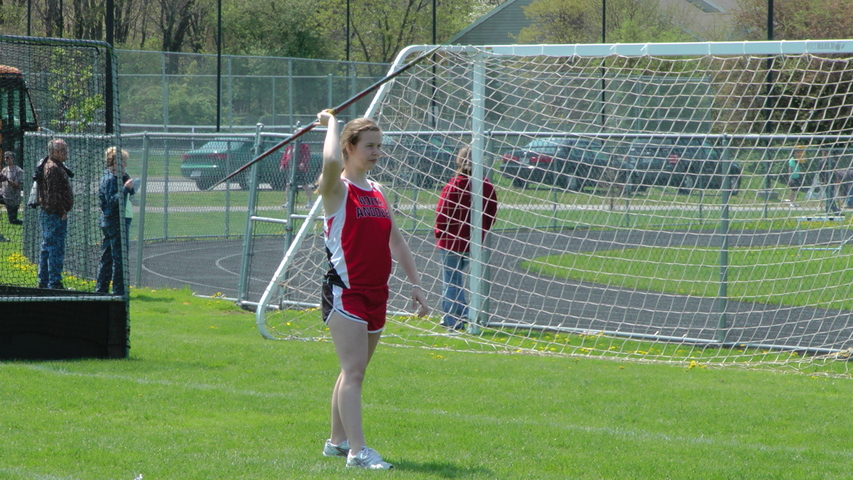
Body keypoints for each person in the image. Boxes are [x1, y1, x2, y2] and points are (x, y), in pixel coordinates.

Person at [315, 110, 428, 470]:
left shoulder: (377, 191)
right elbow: (330, 161)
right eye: (370, 146)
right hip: (346, 292)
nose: (377, 152)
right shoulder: (336, 189)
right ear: (349, 147)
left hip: (378, 293)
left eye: (380, 145)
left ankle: (336, 442)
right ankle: (358, 452)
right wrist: (331, 123)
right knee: (354, 372)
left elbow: (396, 240)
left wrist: (415, 283)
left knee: (353, 369)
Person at [434, 146, 499, 331]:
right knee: (460, 280)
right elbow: (491, 214)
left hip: (451, 242)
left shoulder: (453, 186)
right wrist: (481, 231)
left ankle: (452, 320)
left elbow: (442, 214)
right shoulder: (486, 187)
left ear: (459, 161)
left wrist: (439, 233)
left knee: (451, 280)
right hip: (473, 243)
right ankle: (464, 314)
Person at [96, 147, 135, 295]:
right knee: (119, 259)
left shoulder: (117, 177)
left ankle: (101, 290)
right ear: (115, 162)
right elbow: (113, 202)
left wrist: (126, 180)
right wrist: (125, 188)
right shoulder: (110, 179)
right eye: (123, 162)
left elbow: (131, 191)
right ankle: (118, 291)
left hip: (116, 220)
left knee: (108, 257)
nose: (125, 165)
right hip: (114, 222)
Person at [36, 138, 74, 289]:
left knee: (48, 246)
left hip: (51, 213)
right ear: (52, 152)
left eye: (65, 149)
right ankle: (53, 282)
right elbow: (52, 194)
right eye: (61, 150)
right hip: (54, 214)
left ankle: (44, 281)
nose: (65, 153)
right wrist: (61, 211)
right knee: (54, 248)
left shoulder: (57, 165)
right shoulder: (52, 168)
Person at [279, 143, 315, 209]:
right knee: (288, 184)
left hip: (300, 169)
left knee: (304, 185)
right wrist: (282, 164)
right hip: (291, 168)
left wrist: (303, 163)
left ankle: (310, 201)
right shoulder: (290, 146)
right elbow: (285, 156)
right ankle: (288, 201)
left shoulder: (304, 146)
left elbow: (306, 155)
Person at [0, 151, 24, 225]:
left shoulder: (18, 170)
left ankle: (25, 221)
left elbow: (17, 185)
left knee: (13, 221)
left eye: (7, 157)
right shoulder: (4, 170)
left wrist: (7, 179)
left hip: (13, 199)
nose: (5, 159)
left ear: (12, 158)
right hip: (3, 196)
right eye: (5, 158)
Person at [818, 149, 842, 215]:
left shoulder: (832, 162)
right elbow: (819, 172)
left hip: (831, 181)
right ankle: (834, 210)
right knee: (830, 195)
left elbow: (835, 172)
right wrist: (821, 180)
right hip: (825, 181)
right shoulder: (822, 162)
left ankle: (828, 210)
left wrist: (836, 179)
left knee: (830, 196)